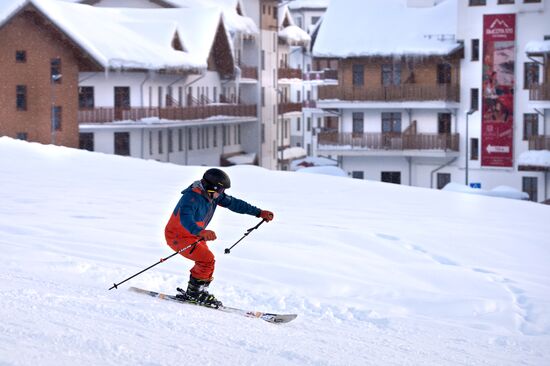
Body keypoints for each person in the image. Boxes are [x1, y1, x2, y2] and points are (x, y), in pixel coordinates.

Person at [164, 168, 274, 308]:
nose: (222, 194)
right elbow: (185, 218)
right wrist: (199, 231)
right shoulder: (191, 197)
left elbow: (235, 203)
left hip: (195, 235)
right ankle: (195, 294)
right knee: (206, 259)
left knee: (208, 262)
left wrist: (259, 212)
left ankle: (198, 292)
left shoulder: (212, 195)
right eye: (220, 190)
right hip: (178, 235)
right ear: (211, 188)